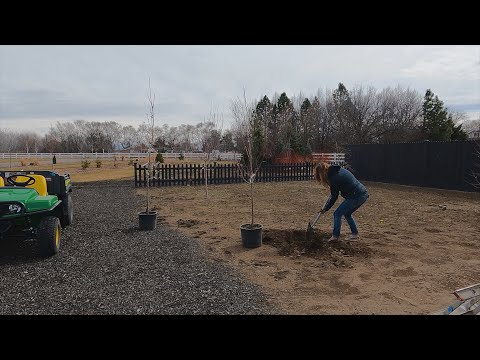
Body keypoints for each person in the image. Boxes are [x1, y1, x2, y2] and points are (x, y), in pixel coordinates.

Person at [314, 161, 369, 242]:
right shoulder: (336, 170)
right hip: (362, 193)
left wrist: (326, 209)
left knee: (337, 213)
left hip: (356, 196)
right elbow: (334, 192)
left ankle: (335, 236)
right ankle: (355, 234)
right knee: (347, 213)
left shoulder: (333, 178)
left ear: (322, 173)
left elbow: (334, 196)